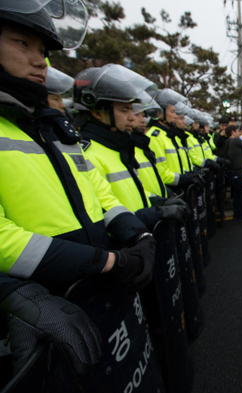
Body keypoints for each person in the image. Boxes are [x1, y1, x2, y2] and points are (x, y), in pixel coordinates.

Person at [0, 0, 156, 292]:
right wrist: (105, 261)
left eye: (43, 52)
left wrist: (137, 234)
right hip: (44, 304)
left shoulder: (55, 131)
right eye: (23, 43)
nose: (41, 62)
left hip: (98, 284)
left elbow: (99, 194)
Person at [73, 65, 188, 229]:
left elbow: (132, 192)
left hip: (140, 231)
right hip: (127, 241)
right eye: (125, 110)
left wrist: (157, 201)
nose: (132, 118)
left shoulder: (116, 147)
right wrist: (148, 215)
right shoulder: (87, 154)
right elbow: (102, 207)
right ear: (98, 112)